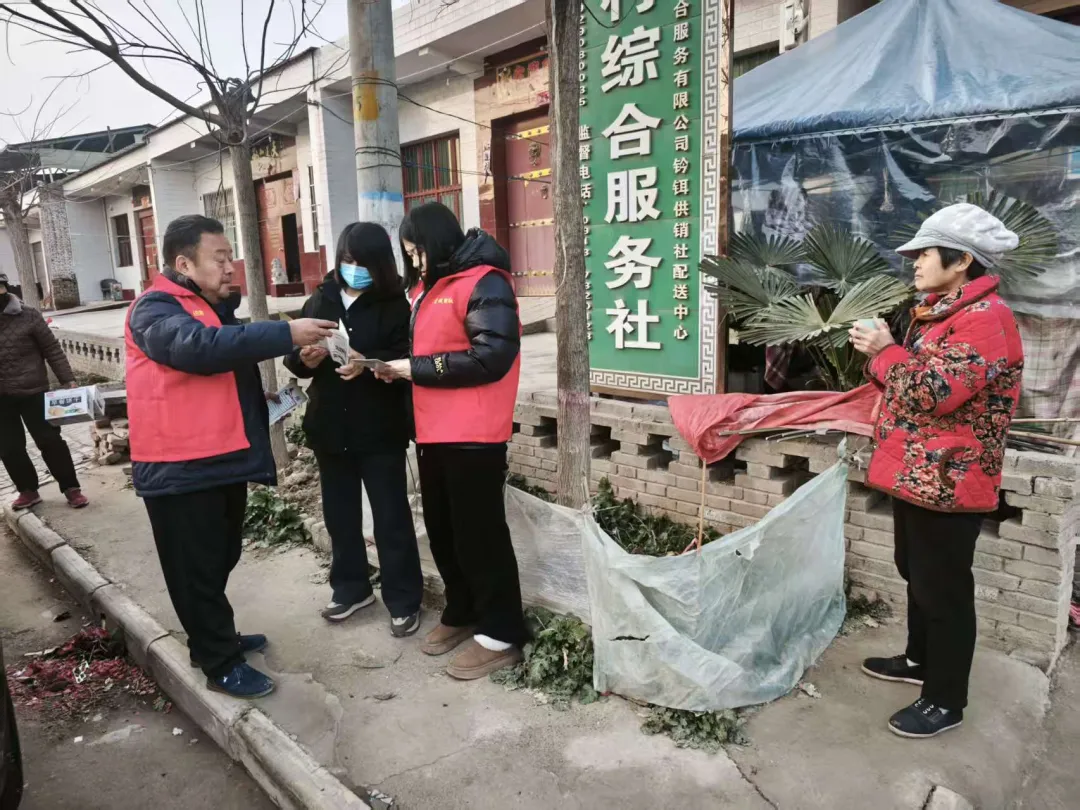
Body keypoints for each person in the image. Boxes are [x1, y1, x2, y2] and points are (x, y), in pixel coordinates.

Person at [125, 214, 336, 699]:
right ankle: (218, 660)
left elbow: (226, 354)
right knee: (195, 568)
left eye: (229, 257)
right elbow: (198, 350)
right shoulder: (155, 310)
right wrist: (286, 333)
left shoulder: (207, 307)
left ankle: (213, 635)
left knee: (221, 555)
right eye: (219, 259)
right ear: (183, 263)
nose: (229, 268)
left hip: (219, 459)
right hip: (178, 468)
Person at [850, 203, 1024, 739]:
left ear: (961, 261)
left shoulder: (985, 321)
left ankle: (946, 699)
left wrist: (885, 351)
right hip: (921, 473)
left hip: (951, 481)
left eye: (925, 253)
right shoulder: (944, 314)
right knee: (916, 571)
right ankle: (920, 660)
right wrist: (882, 355)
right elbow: (911, 382)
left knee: (944, 588)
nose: (915, 263)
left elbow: (933, 394)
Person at [376, 202, 528, 680]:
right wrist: (392, 367)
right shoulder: (428, 288)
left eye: (417, 251)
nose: (414, 262)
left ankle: (503, 632)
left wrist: (411, 369)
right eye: (409, 254)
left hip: (474, 435)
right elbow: (426, 351)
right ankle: (463, 610)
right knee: (443, 529)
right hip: (433, 431)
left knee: (480, 534)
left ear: (437, 241)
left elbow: (491, 358)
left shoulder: (486, 282)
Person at [283, 222, 423, 635]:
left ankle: (403, 598)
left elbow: (406, 359)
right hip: (330, 426)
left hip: (379, 427)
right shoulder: (322, 297)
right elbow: (294, 356)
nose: (352, 269)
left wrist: (366, 361)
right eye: (347, 261)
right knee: (339, 515)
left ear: (380, 264)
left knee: (391, 517)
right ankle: (351, 588)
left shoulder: (396, 303)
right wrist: (304, 361)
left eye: (361, 263)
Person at [0, 272, 88, 510]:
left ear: (4, 288)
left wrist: (68, 380)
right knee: (9, 447)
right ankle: (27, 491)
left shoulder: (28, 315)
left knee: (50, 440)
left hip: (33, 391)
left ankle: (71, 488)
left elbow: (52, 349)